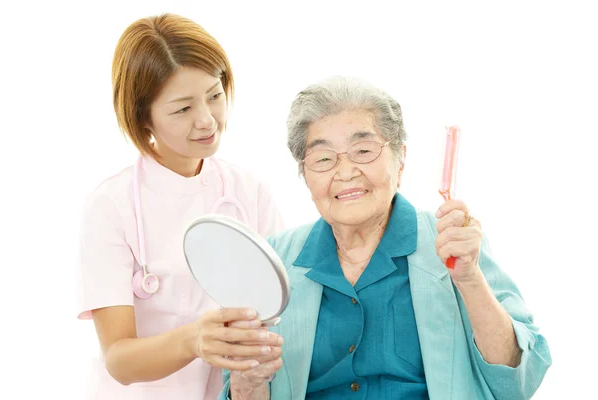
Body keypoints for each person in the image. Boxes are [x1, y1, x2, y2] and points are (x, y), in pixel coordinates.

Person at [221, 76, 552, 399]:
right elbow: (244, 388)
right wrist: (248, 383)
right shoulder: (275, 260)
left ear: (401, 159)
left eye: (363, 151)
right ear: (305, 175)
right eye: (323, 158)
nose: (345, 171)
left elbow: (518, 382)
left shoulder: (452, 243)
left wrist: (469, 279)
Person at [76, 13, 284, 399]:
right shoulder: (111, 206)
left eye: (215, 95)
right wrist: (194, 340)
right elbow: (118, 359)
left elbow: (282, 307)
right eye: (182, 109)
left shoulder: (249, 191)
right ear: (143, 119)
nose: (207, 120)